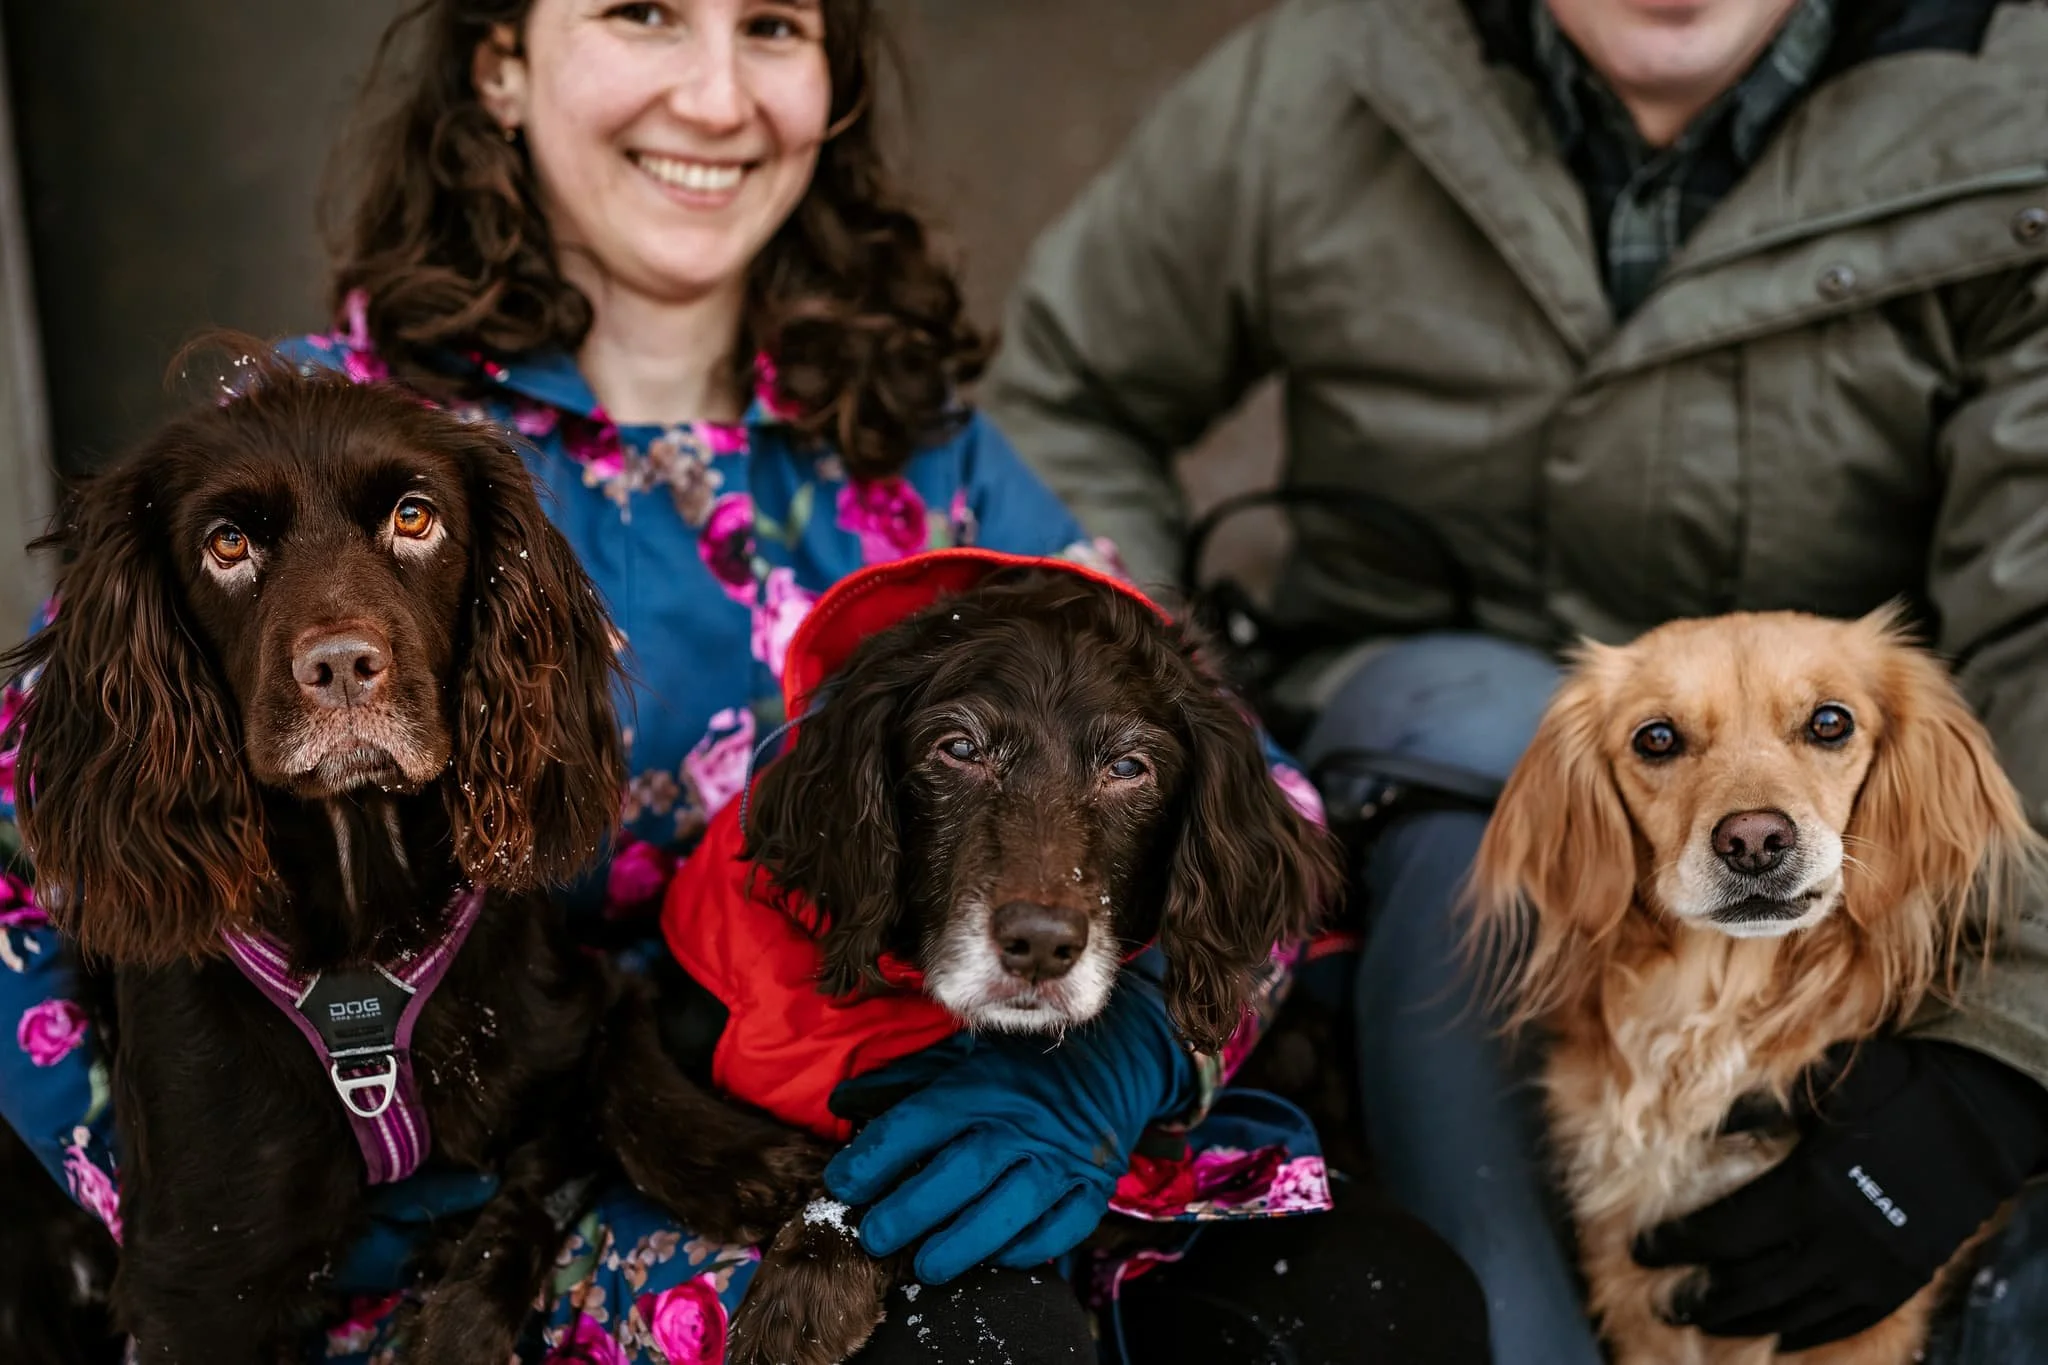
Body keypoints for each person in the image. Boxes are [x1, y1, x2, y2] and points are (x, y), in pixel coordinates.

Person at [0, 2, 1489, 1362]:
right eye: (645, 13)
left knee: (1384, 1305)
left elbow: (1252, 797)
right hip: (517, 1215)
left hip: (892, 1126)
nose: (716, 96)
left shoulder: (922, 457)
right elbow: (31, 842)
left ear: (829, 87)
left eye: (771, 26)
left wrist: (1131, 1060)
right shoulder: (333, 455)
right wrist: (217, 1201)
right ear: (501, 61)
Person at [980, 0, 2048, 1362]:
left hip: (1860, 873)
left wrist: (2002, 1056)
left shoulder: (2021, 106)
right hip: (1411, 764)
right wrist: (1163, 750)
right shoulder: (1325, 73)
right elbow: (1071, 396)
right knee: (1481, 722)